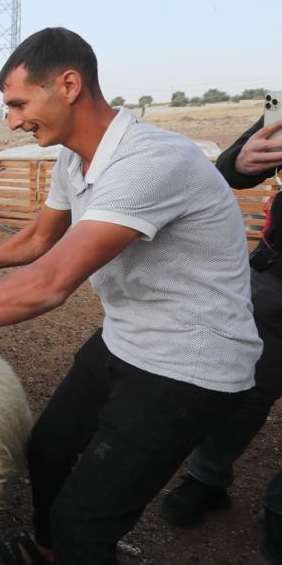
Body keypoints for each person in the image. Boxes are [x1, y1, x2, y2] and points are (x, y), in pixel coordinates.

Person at [0, 28, 261, 564]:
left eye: (19, 104)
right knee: (45, 452)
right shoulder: (75, 158)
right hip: (127, 338)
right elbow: (39, 239)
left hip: (188, 360)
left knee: (84, 525)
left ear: (68, 84)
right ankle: (48, 552)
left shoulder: (147, 161)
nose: (14, 121)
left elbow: (49, 283)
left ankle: (69, 545)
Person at [159, 111, 282, 560]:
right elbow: (230, 166)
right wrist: (242, 162)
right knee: (245, 388)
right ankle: (207, 478)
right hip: (275, 281)